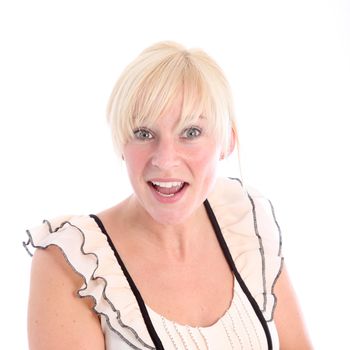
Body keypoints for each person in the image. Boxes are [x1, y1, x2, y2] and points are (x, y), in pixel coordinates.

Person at [24, 41, 312, 349]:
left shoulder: (244, 221)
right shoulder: (76, 261)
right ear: (122, 142)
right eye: (144, 133)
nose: (164, 160)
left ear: (227, 141)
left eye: (191, 132)